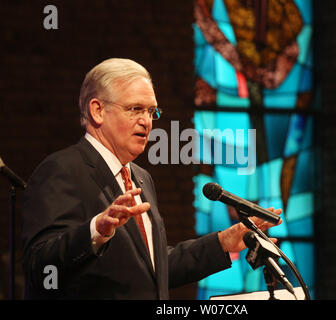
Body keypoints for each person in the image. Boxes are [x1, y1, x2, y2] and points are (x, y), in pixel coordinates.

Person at [21, 58, 282, 299]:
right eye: (135, 109)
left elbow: (153, 269)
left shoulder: (141, 177)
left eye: (151, 111)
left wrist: (223, 242)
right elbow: (39, 266)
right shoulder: (62, 169)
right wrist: (95, 231)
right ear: (98, 110)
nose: (146, 121)